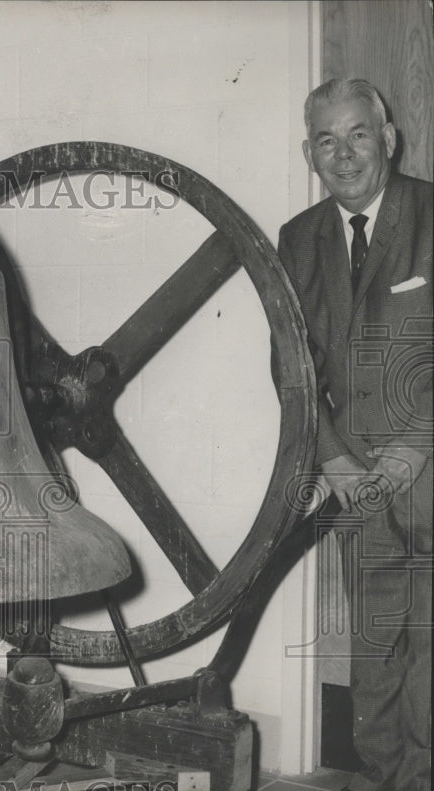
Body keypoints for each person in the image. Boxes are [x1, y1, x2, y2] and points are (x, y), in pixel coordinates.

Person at [279, 78, 432, 791]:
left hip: (429, 469)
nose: (344, 155)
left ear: (389, 139)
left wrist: (417, 441)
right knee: (374, 661)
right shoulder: (296, 238)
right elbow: (291, 367)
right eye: (326, 140)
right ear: (309, 152)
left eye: (358, 135)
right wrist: (332, 454)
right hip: (356, 487)